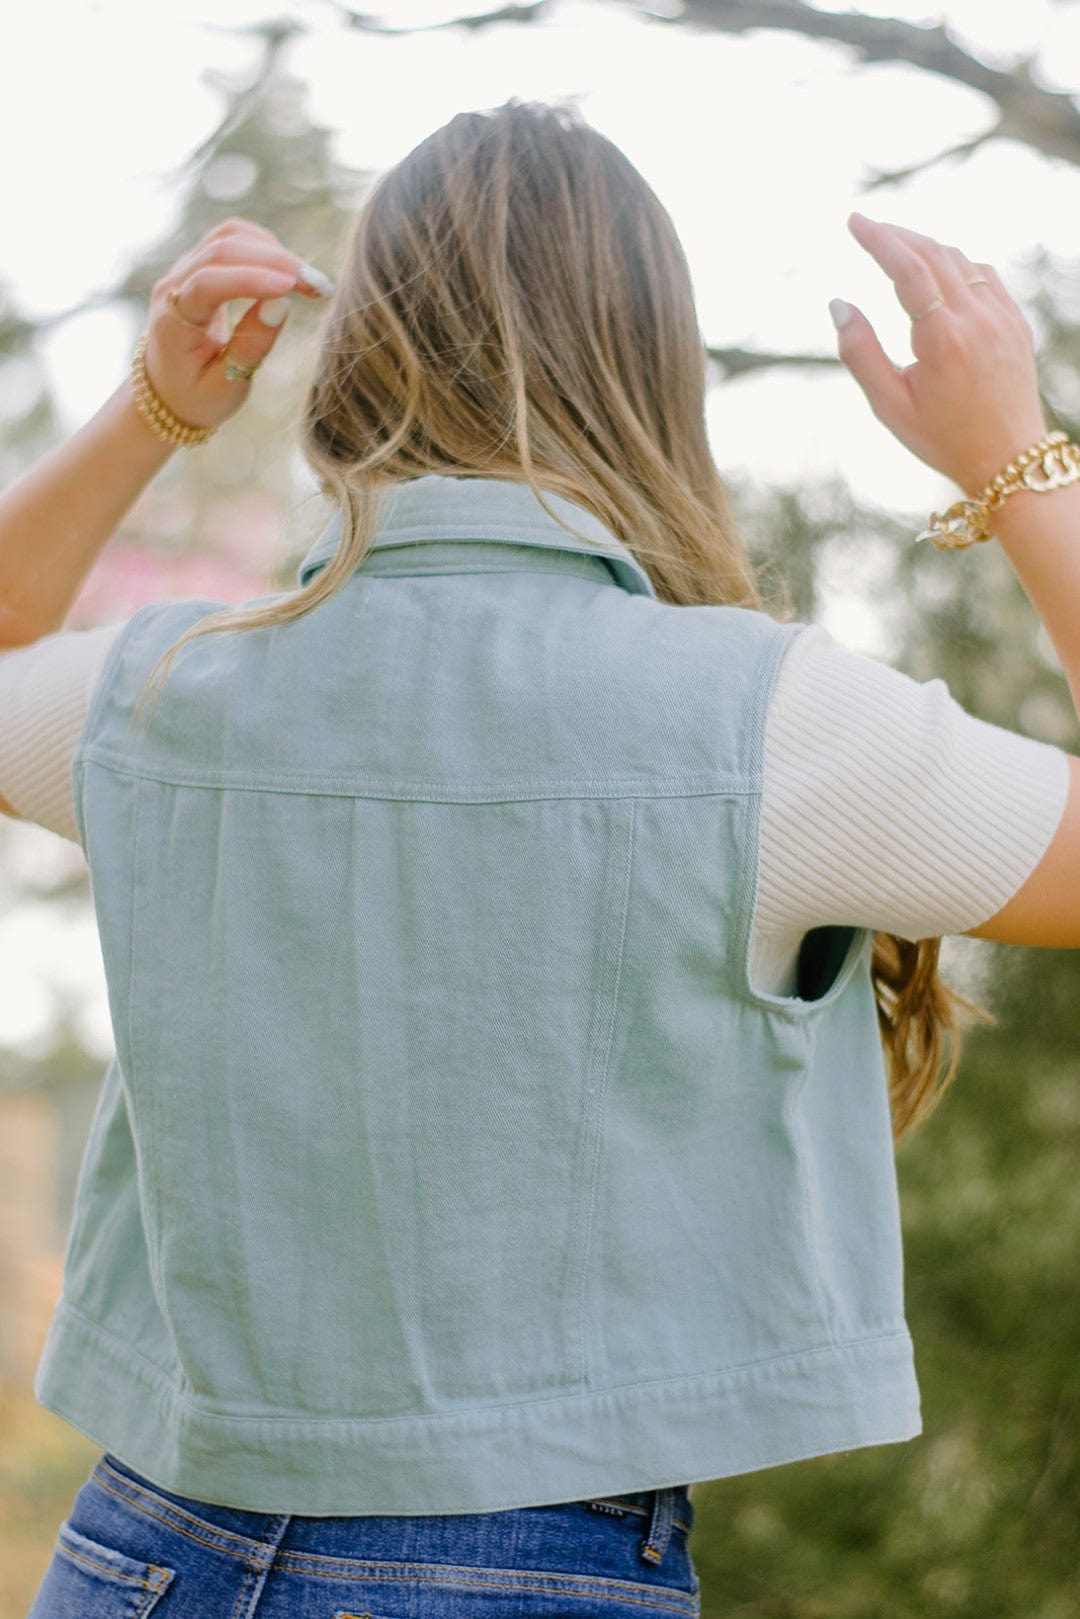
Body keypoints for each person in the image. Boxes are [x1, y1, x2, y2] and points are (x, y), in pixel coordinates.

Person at [5, 98, 1077, 1618]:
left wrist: (152, 413)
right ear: (654, 369)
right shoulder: (764, 719)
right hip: (513, 1568)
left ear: (360, 351)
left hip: (140, 1556)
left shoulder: (163, 692)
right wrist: (1014, 460)